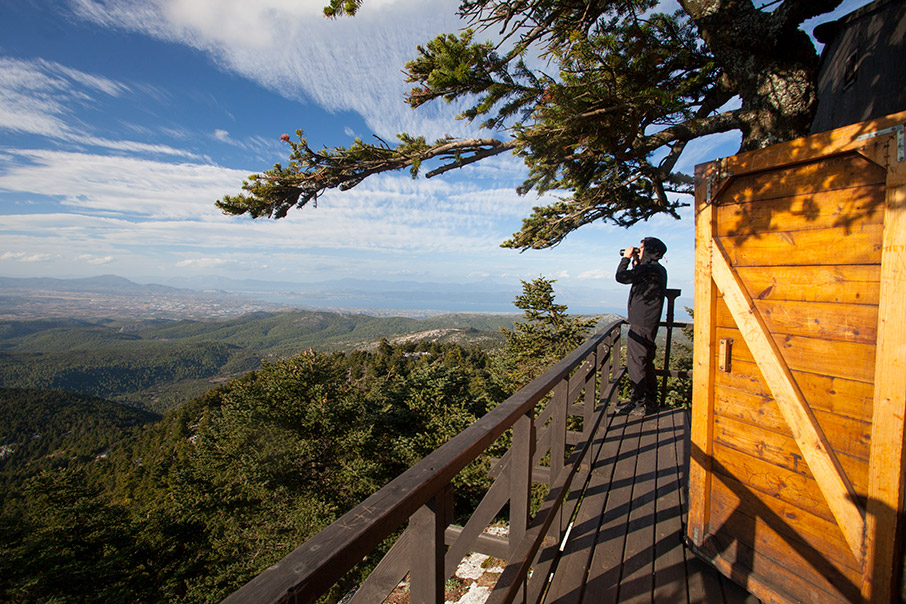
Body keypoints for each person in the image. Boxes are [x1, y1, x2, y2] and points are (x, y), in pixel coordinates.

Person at [615, 237, 668, 416]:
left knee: (637, 363)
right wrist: (638, 262)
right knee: (646, 363)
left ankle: (639, 403)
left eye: (641, 247)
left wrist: (626, 259)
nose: (638, 249)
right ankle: (650, 401)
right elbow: (639, 276)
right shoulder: (657, 269)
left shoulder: (649, 269)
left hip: (641, 323)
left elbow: (621, 277)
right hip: (648, 322)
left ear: (649, 250)